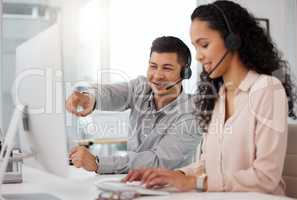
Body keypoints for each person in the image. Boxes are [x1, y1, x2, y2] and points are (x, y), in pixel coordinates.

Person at [123, 0, 297, 195]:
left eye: (204, 45)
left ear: (233, 40)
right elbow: (208, 164)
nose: (198, 56)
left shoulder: (267, 89)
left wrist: (194, 182)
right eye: (195, 47)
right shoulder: (217, 96)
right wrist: (173, 175)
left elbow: (265, 178)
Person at [66, 36, 201, 174]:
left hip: (168, 191)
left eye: (167, 68)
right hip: (129, 183)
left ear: (185, 72)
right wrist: (88, 98)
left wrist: (98, 163)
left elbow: (157, 162)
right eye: (153, 66)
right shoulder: (141, 87)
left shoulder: (192, 114)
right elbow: (112, 93)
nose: (157, 75)